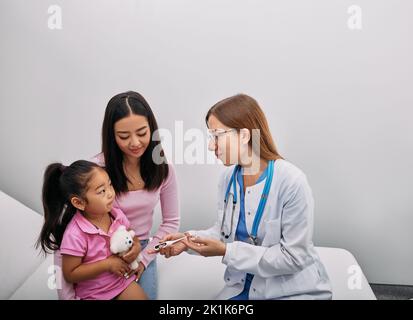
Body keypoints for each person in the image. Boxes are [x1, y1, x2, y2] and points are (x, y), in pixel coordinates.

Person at [151, 94, 332, 300]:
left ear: (245, 136)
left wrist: (227, 252)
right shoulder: (228, 178)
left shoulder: (291, 181)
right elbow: (224, 230)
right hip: (243, 287)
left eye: (216, 135)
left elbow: (294, 257)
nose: (211, 146)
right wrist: (187, 240)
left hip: (291, 292)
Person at [37, 160, 147, 300]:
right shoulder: (75, 235)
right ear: (79, 202)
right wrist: (106, 265)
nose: (110, 194)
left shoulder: (115, 214)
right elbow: (70, 274)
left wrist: (136, 246)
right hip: (93, 294)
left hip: (121, 283)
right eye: (102, 191)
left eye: (110, 185)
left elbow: (130, 233)